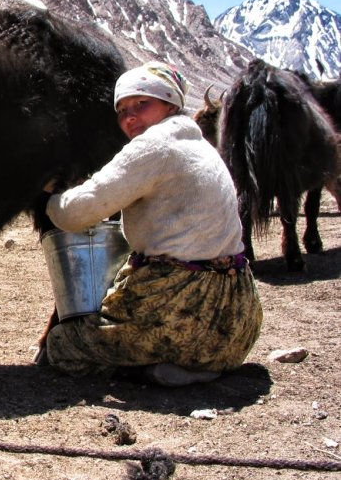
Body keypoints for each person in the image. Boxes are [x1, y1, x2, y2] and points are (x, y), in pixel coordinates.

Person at [40, 62, 263, 386]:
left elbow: (77, 213)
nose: (130, 116)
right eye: (122, 110)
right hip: (235, 325)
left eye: (142, 104)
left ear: (170, 104)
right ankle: (190, 362)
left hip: (179, 310)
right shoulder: (201, 147)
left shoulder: (152, 146)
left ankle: (154, 367)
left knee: (63, 345)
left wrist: (52, 197)